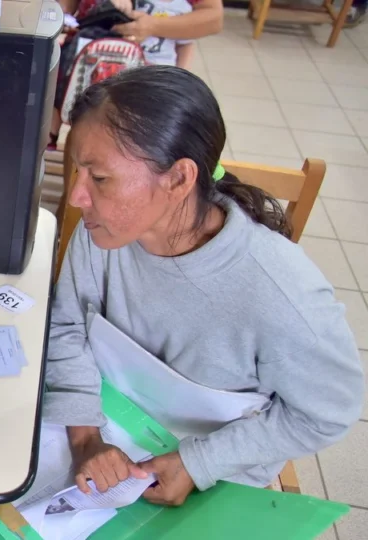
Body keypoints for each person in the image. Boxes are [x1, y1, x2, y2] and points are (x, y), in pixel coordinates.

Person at [44, 65, 364, 506]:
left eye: (99, 178)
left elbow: (327, 414)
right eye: (76, 169)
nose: (78, 196)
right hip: (104, 425)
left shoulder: (282, 294)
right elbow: (67, 325)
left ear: (178, 179)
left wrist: (199, 463)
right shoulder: (104, 228)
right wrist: (85, 439)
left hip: (217, 470)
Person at [46, 0, 223, 149]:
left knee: (134, 138)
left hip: (150, 79)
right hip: (98, 63)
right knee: (85, 126)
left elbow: (205, 25)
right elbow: (65, 7)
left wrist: (154, 26)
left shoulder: (179, 8)